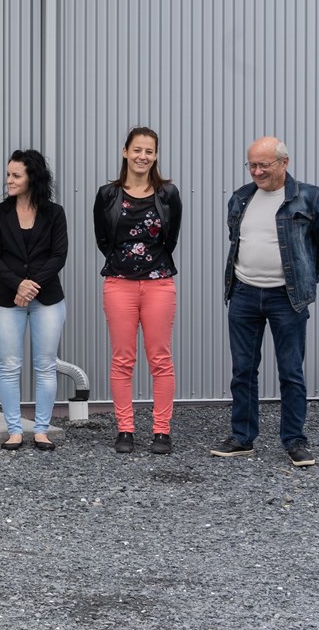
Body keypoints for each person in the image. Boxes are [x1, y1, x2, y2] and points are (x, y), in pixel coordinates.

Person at [211, 137, 319, 467]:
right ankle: (242, 438)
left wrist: (305, 275)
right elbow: (237, 240)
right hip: (243, 294)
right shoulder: (241, 198)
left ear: (283, 163)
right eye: (252, 165)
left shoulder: (310, 197)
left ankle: (295, 440)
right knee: (243, 371)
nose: (256, 171)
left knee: (291, 372)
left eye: (263, 165)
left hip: (287, 299)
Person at [93, 126, 182, 455]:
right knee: (122, 359)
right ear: (125, 152)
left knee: (161, 359)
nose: (142, 156)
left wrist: (148, 267)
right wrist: (127, 266)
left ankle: (162, 431)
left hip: (159, 283)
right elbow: (104, 241)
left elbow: (169, 241)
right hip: (119, 284)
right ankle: (125, 429)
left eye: (149, 151)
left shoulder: (167, 194)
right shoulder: (107, 194)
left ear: (156, 155)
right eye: (137, 150)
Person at [0, 150, 68, 451]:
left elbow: (59, 255)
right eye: (8, 174)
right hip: (8, 298)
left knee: (45, 365)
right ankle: (15, 430)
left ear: (33, 177)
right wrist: (18, 284)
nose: (9, 180)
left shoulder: (55, 213)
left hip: (48, 299)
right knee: (9, 365)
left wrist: (31, 286)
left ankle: (42, 429)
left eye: (15, 175)